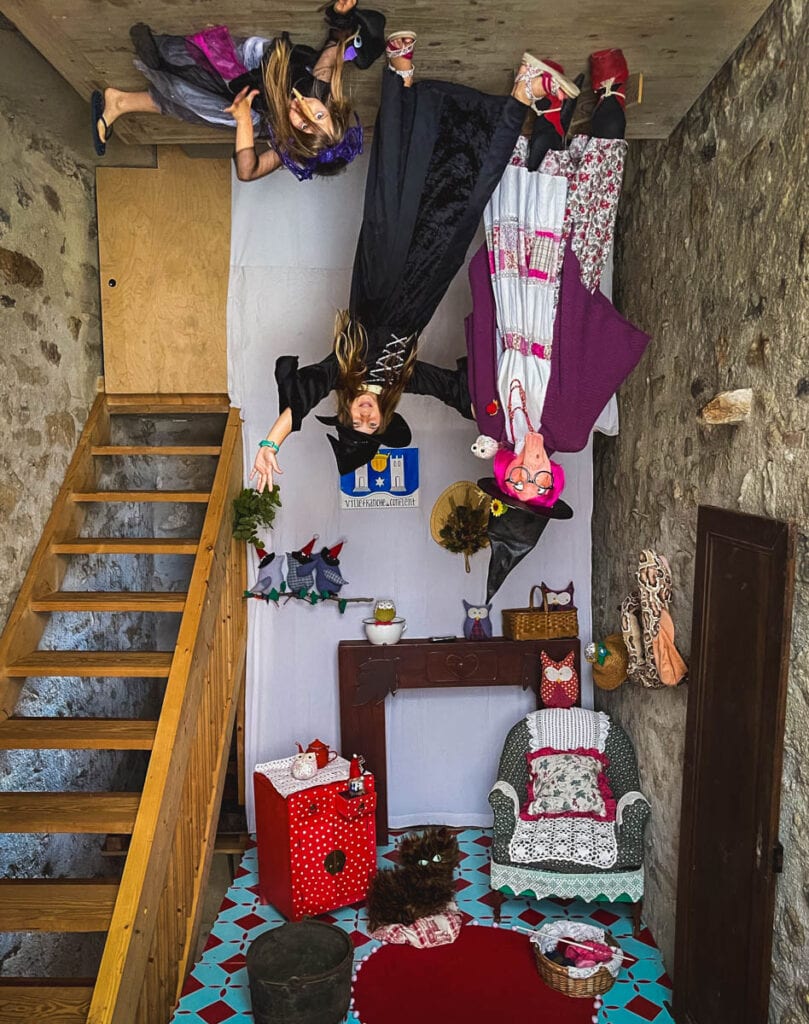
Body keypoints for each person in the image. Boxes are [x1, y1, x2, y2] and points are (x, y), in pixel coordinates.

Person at [250, 49, 581, 490]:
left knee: (394, 188)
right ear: (383, 419)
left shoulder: (342, 369)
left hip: (381, 268)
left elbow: (302, 398)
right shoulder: (402, 380)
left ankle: (400, 79)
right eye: (372, 426)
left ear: (346, 409)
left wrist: (271, 444)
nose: (365, 418)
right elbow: (458, 393)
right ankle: (522, 92)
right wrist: (505, 433)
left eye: (355, 422)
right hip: (429, 276)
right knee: (468, 200)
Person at [90, 0, 387, 181]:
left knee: (191, 100)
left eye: (304, 126)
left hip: (249, 106)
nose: (305, 111)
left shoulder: (289, 147)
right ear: (329, 107)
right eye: (319, 114)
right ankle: (121, 101)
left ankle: (120, 102)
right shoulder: (319, 90)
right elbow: (333, 49)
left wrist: (244, 119)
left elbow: (248, 171)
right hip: (258, 66)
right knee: (188, 71)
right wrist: (341, 17)